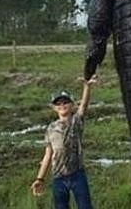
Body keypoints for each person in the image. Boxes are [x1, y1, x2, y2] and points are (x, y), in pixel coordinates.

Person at [30, 75, 97, 209]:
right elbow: (48, 155)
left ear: (72, 105)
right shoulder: (50, 128)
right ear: (54, 107)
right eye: (58, 104)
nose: (62, 105)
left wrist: (87, 87)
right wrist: (39, 179)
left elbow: (84, 105)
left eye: (65, 102)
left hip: (77, 175)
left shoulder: (76, 121)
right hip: (58, 178)